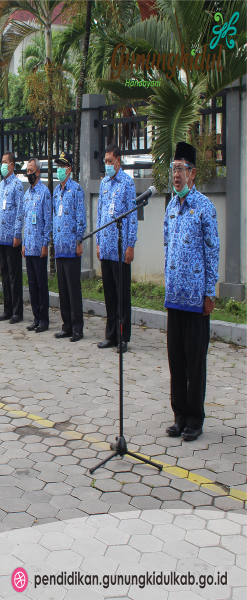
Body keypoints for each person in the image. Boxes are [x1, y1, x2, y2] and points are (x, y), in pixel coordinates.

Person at [164, 142, 219, 442]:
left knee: (195, 361)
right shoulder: (171, 207)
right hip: (175, 298)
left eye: (181, 169)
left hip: (197, 300)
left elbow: (213, 252)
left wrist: (209, 293)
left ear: (193, 173)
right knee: (176, 360)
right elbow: (166, 247)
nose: (176, 175)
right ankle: (179, 415)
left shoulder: (204, 207)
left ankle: (195, 419)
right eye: (173, 169)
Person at [95, 143, 137, 353]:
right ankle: (110, 335)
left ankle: (123, 337)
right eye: (106, 162)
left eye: (110, 161)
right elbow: (100, 214)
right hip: (106, 247)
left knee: (122, 295)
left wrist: (130, 245)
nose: (108, 165)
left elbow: (132, 217)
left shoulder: (127, 183)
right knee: (109, 294)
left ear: (118, 161)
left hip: (120, 249)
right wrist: (98, 242)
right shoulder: (104, 183)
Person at [53, 152, 87, 342]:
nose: (59, 169)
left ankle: (77, 327)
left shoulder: (76, 190)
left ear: (69, 169)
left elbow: (80, 218)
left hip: (72, 246)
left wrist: (79, 241)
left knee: (73, 289)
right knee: (63, 289)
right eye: (57, 166)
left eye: (62, 166)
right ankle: (66, 325)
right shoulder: (57, 191)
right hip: (59, 246)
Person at [0, 152, 24, 323]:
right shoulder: (1, 186)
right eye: (1, 161)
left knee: (14, 275)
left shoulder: (17, 185)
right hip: (2, 237)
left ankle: (17, 311)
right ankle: (7, 308)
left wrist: (17, 234)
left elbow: (20, 211)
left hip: (12, 238)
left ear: (11, 165)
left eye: (5, 162)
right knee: (4, 274)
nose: (2, 165)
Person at [22, 158, 52, 333]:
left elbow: (47, 221)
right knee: (32, 284)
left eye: (31, 170)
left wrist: (45, 243)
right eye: (27, 170)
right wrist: (24, 245)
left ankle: (44, 319)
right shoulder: (27, 195)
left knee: (41, 284)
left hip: (40, 246)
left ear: (38, 172)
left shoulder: (44, 193)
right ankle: (35, 317)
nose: (29, 173)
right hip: (29, 246)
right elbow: (27, 222)